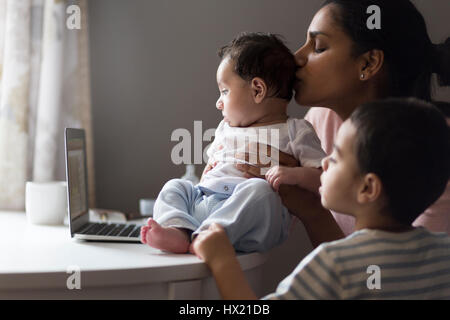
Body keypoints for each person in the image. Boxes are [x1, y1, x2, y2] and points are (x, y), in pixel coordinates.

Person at [235, 0, 450, 246]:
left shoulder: (435, 148)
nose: (296, 58)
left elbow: (392, 280)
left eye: (318, 47)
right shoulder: (319, 121)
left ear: (368, 64)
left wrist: (312, 209)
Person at [192, 98, 450, 299]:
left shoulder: (334, 263)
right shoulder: (443, 253)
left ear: (368, 188)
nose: (324, 162)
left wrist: (222, 260)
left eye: (336, 157)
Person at [140, 32, 327, 254]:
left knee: (260, 191)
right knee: (176, 186)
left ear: (258, 90)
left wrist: (293, 175)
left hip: (249, 217)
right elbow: (210, 171)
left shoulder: (296, 130)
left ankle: (208, 237)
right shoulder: (225, 128)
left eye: (225, 91)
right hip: (206, 202)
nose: (219, 103)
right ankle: (179, 230)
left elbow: (323, 179)